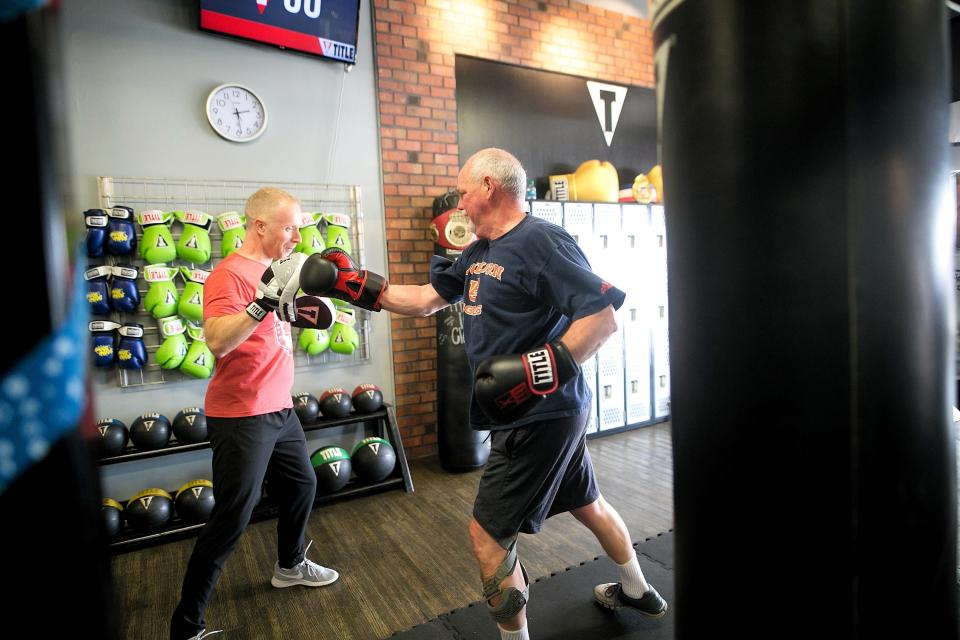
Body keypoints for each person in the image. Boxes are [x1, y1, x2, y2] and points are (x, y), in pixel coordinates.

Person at [301, 148, 667, 640]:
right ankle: (638, 589)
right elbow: (427, 300)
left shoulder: (542, 243)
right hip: (542, 415)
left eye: (463, 192)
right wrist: (357, 286)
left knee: (487, 537)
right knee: (587, 502)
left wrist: (538, 370)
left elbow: (602, 318)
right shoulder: (479, 251)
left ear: (490, 187)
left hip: (539, 415)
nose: (458, 204)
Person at [170, 188, 339, 640]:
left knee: (303, 484)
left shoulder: (279, 270)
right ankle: (186, 626)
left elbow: (276, 325)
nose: (297, 235)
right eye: (289, 227)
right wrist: (260, 303)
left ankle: (289, 566)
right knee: (231, 517)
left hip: (279, 408)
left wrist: (304, 308)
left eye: (299, 226)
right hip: (242, 413)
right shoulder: (228, 276)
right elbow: (218, 340)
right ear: (259, 225)